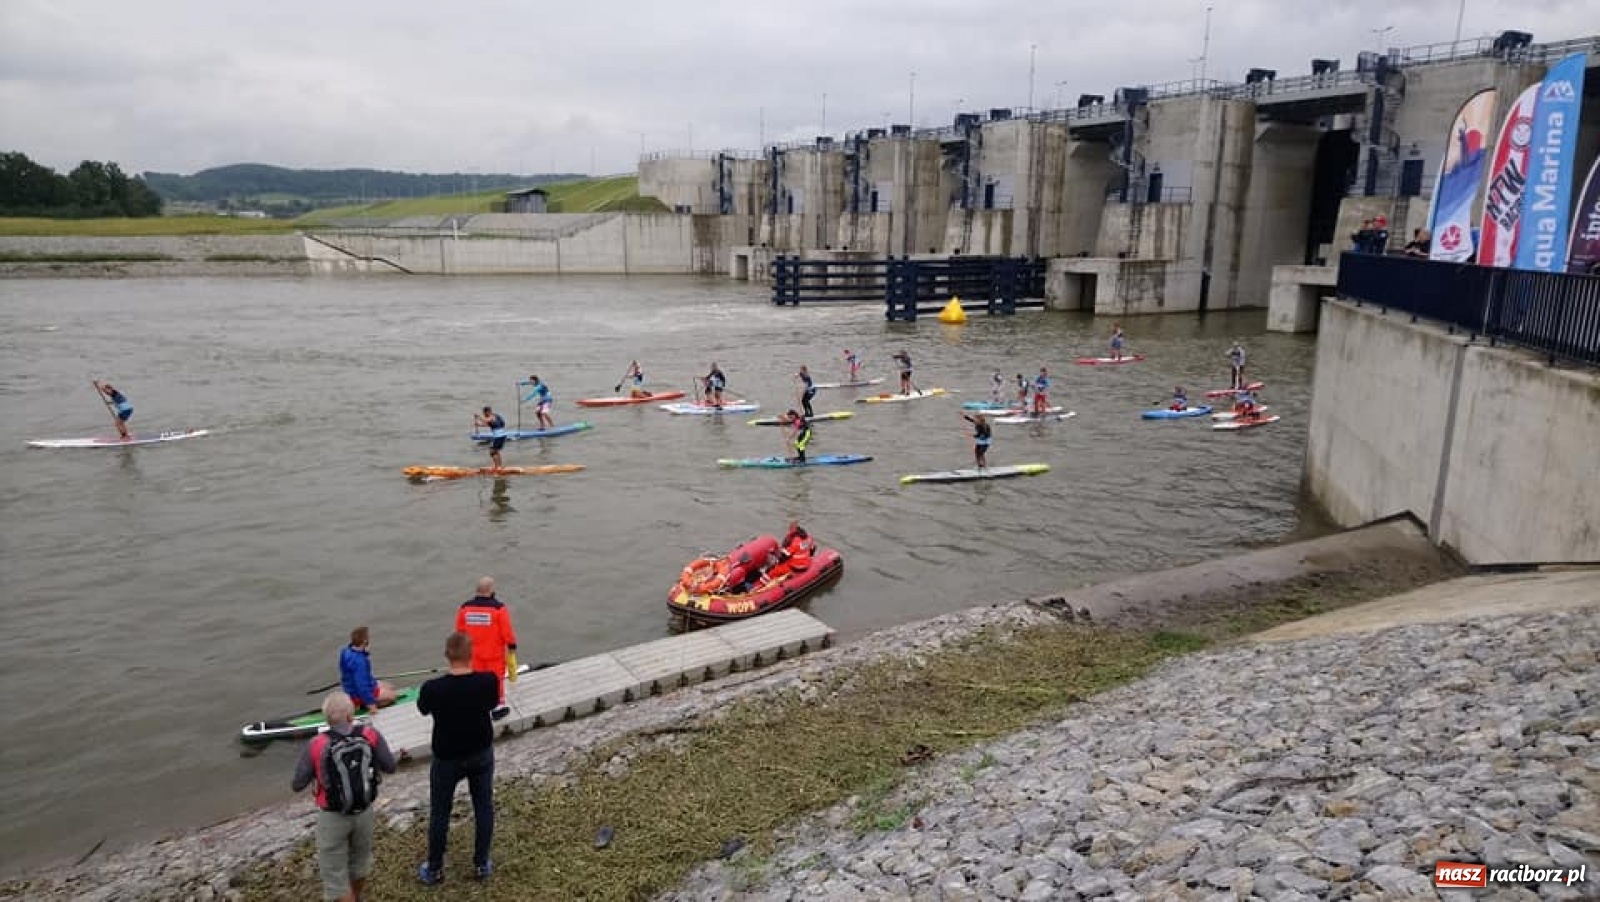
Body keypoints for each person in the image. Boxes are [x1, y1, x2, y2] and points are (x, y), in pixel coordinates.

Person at [292, 691, 397, 902]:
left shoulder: (316, 744)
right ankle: (357, 897)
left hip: (333, 816)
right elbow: (390, 766)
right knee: (359, 863)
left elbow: (297, 784)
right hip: (364, 810)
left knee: (335, 875)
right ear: (350, 715)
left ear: (326, 718)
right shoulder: (370, 734)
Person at [417, 632, 500, 887]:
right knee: (483, 806)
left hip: (447, 757)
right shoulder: (488, 681)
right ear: (471, 654)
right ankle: (481, 863)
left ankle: (434, 869)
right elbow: (493, 703)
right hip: (480, 753)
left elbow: (422, 709)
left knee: (441, 812)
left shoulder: (433, 688)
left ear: (447, 656)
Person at [455, 576, 518, 720]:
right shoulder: (498, 609)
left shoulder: (465, 608)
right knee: (496, 680)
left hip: (472, 654)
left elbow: (459, 631)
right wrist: (511, 646)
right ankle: (497, 709)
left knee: (474, 680)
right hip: (493, 653)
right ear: (491, 590)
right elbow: (506, 631)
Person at [339, 626, 398, 713]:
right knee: (393, 696)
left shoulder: (345, 651)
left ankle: (363, 701)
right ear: (365, 641)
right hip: (358, 694)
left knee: (391, 687)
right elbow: (362, 686)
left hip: (352, 688)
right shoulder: (360, 662)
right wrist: (372, 706)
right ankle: (362, 704)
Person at [473, 406, 506, 470]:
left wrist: (478, 416)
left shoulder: (491, 416)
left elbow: (486, 420)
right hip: (502, 435)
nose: (484, 414)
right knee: (496, 451)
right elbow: (488, 424)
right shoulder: (495, 416)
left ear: (488, 411)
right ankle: (500, 466)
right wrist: (479, 425)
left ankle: (497, 467)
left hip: (499, 436)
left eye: (484, 413)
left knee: (492, 452)